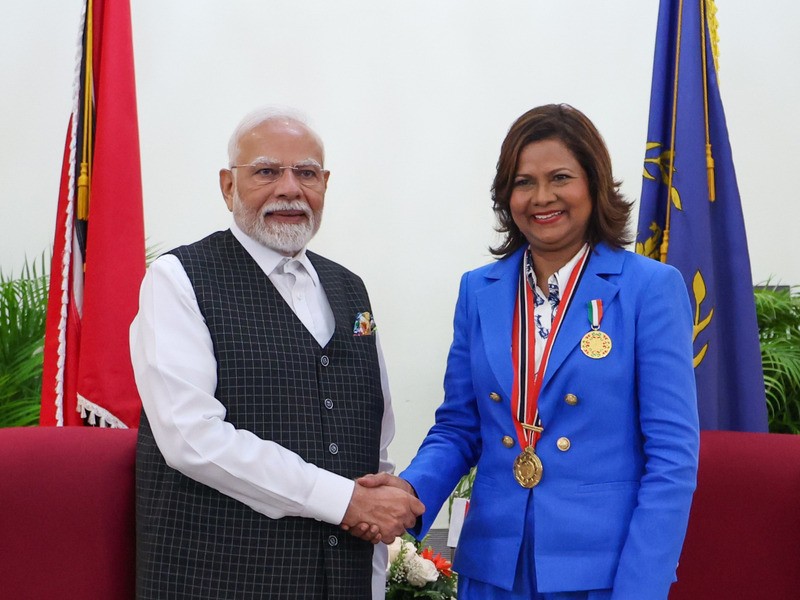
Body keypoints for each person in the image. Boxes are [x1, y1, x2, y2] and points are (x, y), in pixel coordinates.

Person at [359, 104, 699, 599]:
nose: (542, 197)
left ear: (593, 184)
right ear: (506, 195)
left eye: (560, 177)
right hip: (494, 568)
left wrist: (640, 589)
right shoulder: (479, 291)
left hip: (601, 574)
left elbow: (672, 457)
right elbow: (459, 426)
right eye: (523, 182)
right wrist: (411, 492)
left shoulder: (650, 289)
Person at [130, 107, 424, 600]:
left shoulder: (349, 289)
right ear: (228, 186)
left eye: (306, 173)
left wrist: (377, 514)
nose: (290, 188)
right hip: (219, 580)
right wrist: (342, 500)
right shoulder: (178, 278)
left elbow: (374, 434)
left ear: (325, 184)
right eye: (267, 171)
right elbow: (192, 437)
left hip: (344, 578)